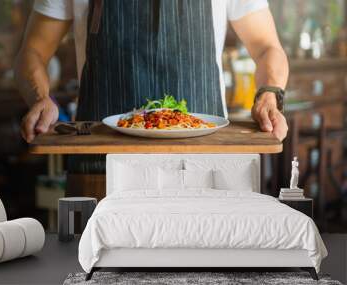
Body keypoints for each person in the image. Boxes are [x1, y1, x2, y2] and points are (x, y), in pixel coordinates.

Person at [15, 0, 289, 198]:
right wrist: (40, 98)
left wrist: (270, 93)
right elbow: (33, 52)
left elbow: (267, 47)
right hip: (100, 170)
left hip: (201, 169)